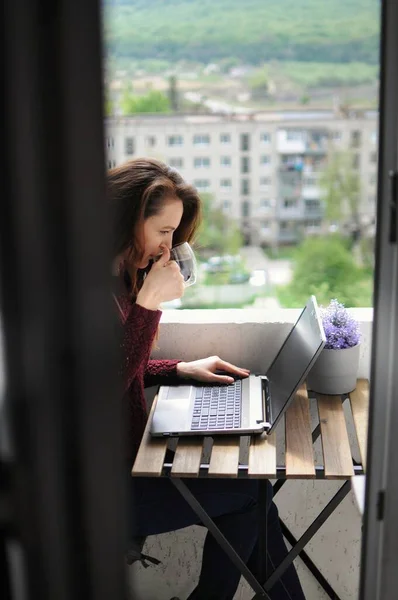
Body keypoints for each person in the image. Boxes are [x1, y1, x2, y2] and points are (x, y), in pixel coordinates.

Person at [109, 158, 306, 600]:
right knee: (251, 496)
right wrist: (148, 306)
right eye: (163, 232)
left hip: (126, 465)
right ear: (125, 220)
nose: (168, 247)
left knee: (248, 497)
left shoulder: (118, 280)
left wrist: (177, 369)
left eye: (174, 236)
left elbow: (119, 366)